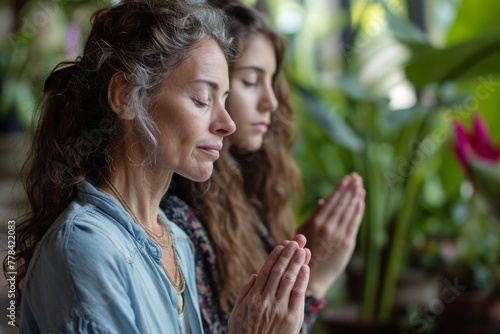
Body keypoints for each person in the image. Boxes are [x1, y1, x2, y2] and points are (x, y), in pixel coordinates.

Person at [6, 1, 311, 333]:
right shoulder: (86, 248)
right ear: (125, 95)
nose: (227, 123)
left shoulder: (176, 239)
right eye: (201, 99)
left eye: (224, 100)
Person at [162, 1, 366, 333]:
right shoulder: (179, 219)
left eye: (271, 81)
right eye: (251, 81)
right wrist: (313, 285)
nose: (271, 101)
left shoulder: (249, 200)